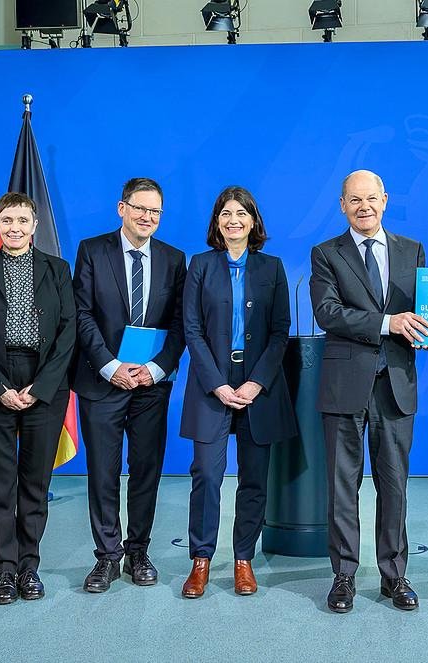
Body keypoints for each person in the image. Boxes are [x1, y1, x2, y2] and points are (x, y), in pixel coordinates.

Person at [310, 169, 428, 614]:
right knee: (343, 486)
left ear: (386, 200)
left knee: (394, 484)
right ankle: (343, 575)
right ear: (342, 204)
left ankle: (394, 577)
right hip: (345, 386)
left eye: (372, 199)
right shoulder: (325, 253)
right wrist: (388, 323)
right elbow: (327, 312)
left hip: (396, 385)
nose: (365, 207)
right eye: (355, 200)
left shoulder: (412, 250)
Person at [179, 186, 297, 598]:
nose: (233, 220)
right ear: (217, 222)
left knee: (254, 479)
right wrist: (216, 383)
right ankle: (201, 560)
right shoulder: (200, 265)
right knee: (207, 475)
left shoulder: (272, 268)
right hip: (211, 385)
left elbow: (281, 332)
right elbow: (191, 330)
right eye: (225, 213)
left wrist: (255, 382)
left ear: (253, 222)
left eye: (240, 214)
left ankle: (244, 559)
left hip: (257, 388)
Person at [0, 193, 75, 605]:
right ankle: (4, 571)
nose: (15, 228)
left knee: (34, 484)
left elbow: (68, 333)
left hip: (44, 383)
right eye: (7, 220)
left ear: (35, 224)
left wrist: (40, 387)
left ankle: (29, 568)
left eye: (22, 220)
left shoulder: (58, 270)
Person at [72, 178, 186, 593]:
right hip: (103, 381)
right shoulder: (92, 250)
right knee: (102, 472)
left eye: (155, 211)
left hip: (151, 385)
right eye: (140, 209)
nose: (147, 218)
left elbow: (180, 324)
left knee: (145, 470)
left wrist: (156, 369)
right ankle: (106, 557)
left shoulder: (175, 259)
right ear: (122, 208)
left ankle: (138, 550)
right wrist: (109, 365)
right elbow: (80, 314)